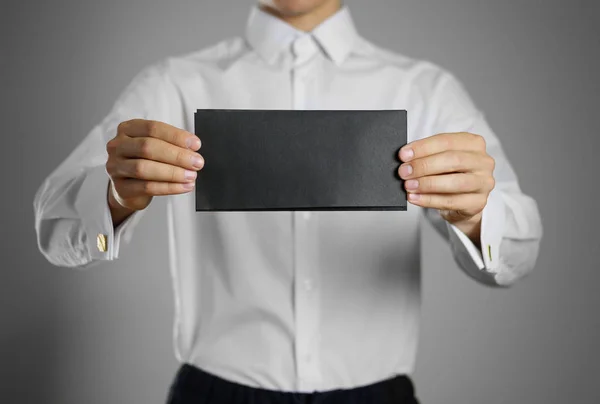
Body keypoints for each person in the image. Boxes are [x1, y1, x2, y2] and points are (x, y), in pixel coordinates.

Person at [33, 0, 543, 403]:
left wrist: (478, 216)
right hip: (215, 393)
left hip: (377, 395)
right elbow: (56, 229)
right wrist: (115, 195)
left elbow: (517, 252)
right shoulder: (176, 84)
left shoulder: (425, 89)